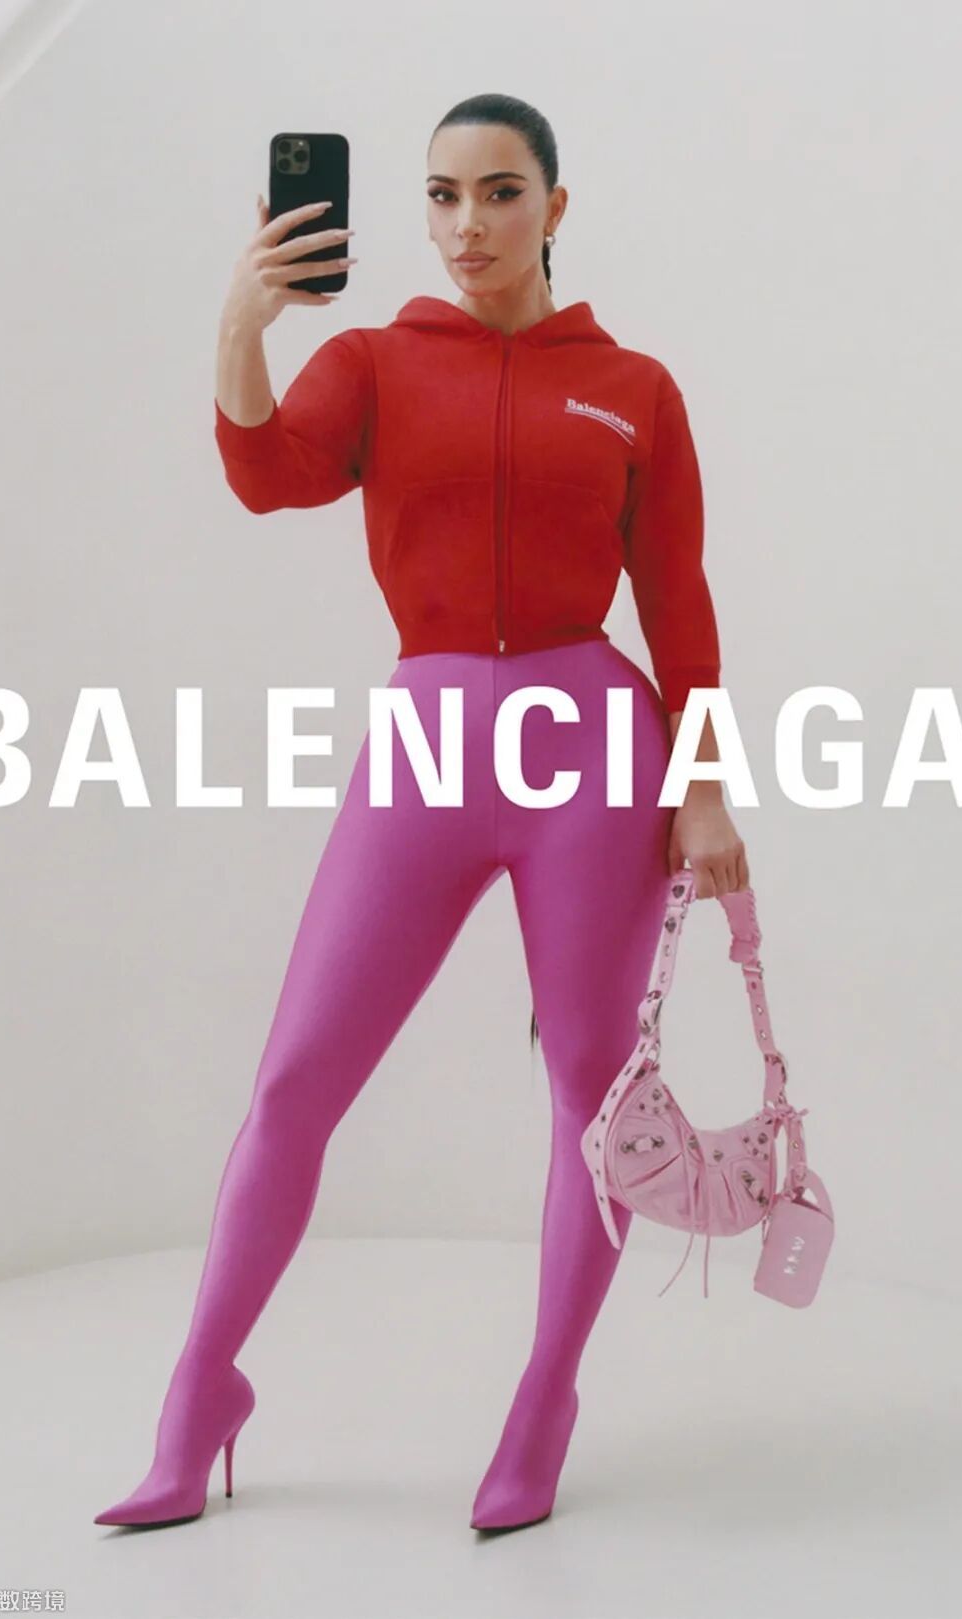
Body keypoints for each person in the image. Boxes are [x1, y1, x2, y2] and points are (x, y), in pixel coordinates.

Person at [94, 91, 749, 1538]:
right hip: (432, 742)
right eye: (444, 196)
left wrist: (702, 788)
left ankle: (544, 1401)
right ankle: (198, 1398)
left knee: (591, 1096)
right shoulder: (376, 361)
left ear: (555, 208)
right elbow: (269, 475)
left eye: (501, 193)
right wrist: (243, 324)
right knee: (295, 1079)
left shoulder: (633, 387)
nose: (469, 225)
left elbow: (678, 603)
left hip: (595, 750)